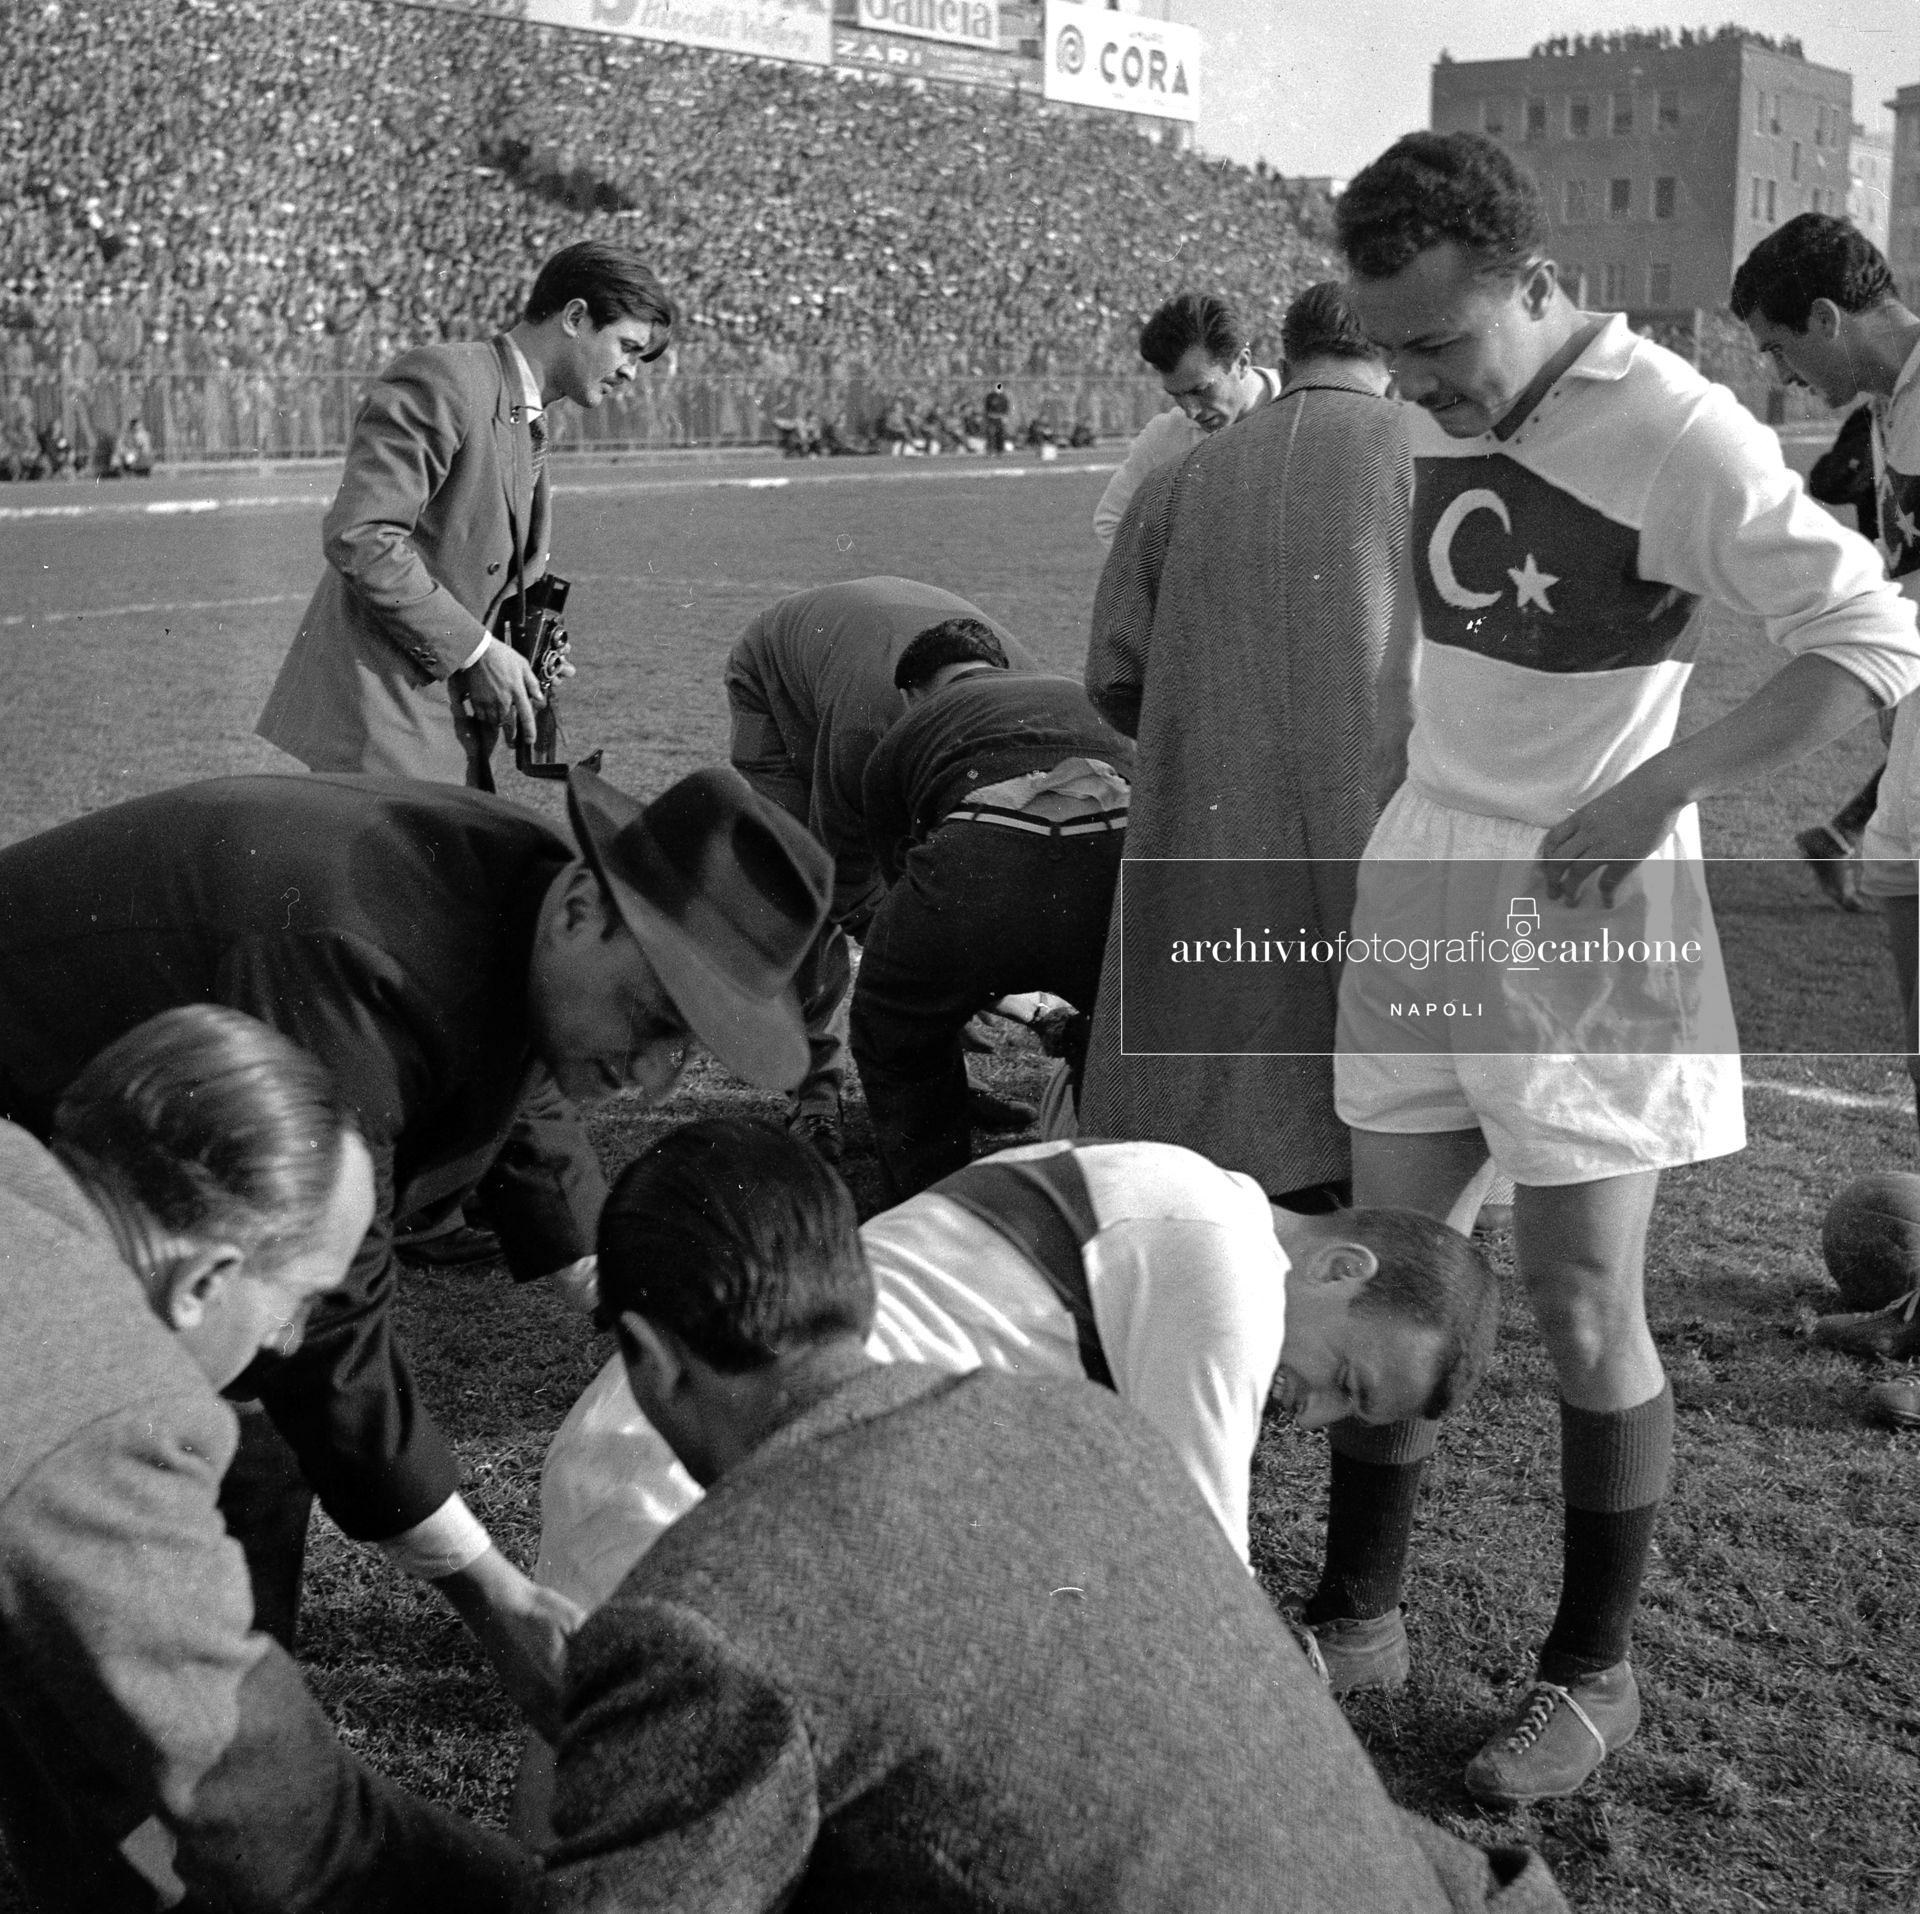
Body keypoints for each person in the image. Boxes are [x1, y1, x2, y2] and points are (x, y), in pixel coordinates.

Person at [1307, 132, 1920, 1808]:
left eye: (1440, 344)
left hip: (1590, 902)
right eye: (1388, 345)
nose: (1414, 382)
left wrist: (1658, 783)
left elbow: (1876, 639)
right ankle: (1355, 1615)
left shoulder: (1674, 426)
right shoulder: (1437, 403)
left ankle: (1596, 1670)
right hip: (1429, 865)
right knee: (1393, 1273)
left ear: (1541, 289)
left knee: (1584, 1305)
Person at [540, 1119, 1567, 1912]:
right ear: (1343, 1268)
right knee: (623, 1780)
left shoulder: (1177, 1192)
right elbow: (1206, 1589)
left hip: (800, 1457)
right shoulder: (1227, 1276)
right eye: (1347, 1376)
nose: (1318, 1413)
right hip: (704, 1457)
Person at [0, 764, 830, 1735]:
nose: (651, 1079)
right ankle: (188, 1759)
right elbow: (319, 1315)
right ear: (580, 910)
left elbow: (525, 1080)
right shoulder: (363, 954)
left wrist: (620, 1286)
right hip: (30, 1109)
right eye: (652, 1020)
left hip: (101, 1123)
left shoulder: (527, 900)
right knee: (212, 1431)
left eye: (681, 1046)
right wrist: (488, 1592)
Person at [0, 1005, 534, 1913]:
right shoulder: (113, 1406)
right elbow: (270, 1811)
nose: (288, 1341)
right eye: (299, 1299)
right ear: (207, 1278)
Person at [1080, 281, 1404, 1210]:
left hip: (1216, 792)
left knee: (1225, 1021)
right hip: (1376, 791)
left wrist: (1208, 721)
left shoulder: (1185, 473)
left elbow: (1112, 668)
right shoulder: (1425, 452)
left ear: (1285, 354)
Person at [256, 240, 673, 786]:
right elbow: (362, 535)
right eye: (627, 348)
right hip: (381, 721)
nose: (631, 372)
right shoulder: (447, 380)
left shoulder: (524, 412)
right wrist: (478, 653)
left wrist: (523, 653)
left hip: (436, 722)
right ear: (575, 317)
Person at [723, 579, 1037, 1160]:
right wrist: (922, 972)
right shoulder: (869, 727)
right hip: (779, 678)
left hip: (865, 652)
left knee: (934, 860)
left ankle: (940, 1081)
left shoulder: (1035, 703)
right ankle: (813, 1094)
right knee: (801, 881)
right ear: (915, 704)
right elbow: (841, 875)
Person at [1731, 213, 1920, 1154]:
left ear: (1823, 317)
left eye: (1778, 350)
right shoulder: (1891, 405)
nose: (1779, 377)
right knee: (1896, 890)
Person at [853, 620, 1133, 1198]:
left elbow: (900, 880)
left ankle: (930, 1203)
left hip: (977, 854)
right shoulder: (1074, 693)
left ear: (915, 692)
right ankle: (1119, 1180)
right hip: (1120, 851)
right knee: (1115, 1031)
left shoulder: (907, 733)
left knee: (896, 1030)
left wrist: (957, 992)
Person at [1091, 290, 1283, 545]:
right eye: (1177, 395)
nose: (1190, 411)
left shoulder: (1311, 407)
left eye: (1200, 390)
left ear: (1242, 363)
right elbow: (1111, 521)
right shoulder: (1164, 436)